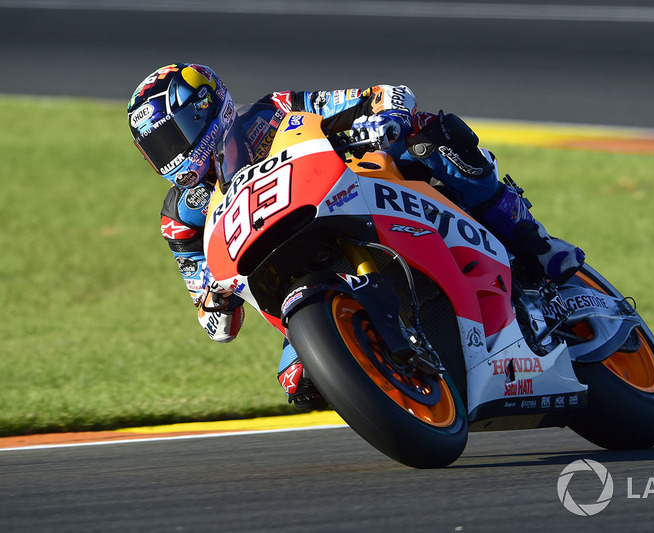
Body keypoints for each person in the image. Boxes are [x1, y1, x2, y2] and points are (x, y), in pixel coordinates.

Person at [127, 63, 584, 411]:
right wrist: (212, 298)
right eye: (157, 148)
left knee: (434, 140)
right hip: (300, 280)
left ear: (208, 106)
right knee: (299, 382)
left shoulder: (272, 112)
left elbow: (382, 95)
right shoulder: (181, 218)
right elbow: (217, 328)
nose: (173, 155)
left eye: (175, 136)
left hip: (353, 199)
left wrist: (383, 117)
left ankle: (535, 243)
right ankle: (398, 382)